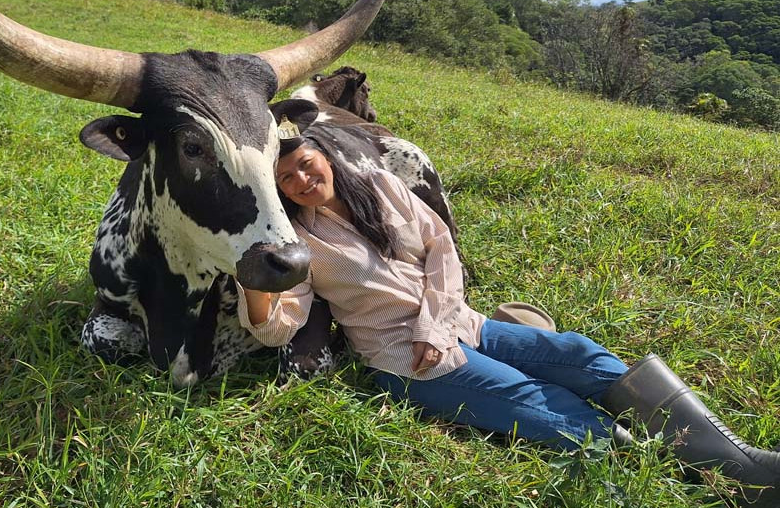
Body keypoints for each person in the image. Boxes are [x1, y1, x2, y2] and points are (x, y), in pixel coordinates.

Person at [237, 108, 779, 505]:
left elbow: (440, 251)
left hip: (457, 323)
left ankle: (736, 458)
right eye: (286, 178)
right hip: (407, 358)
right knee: (539, 401)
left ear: (323, 155)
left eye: (306, 164)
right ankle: (690, 478)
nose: (302, 180)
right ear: (278, 189)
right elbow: (279, 325)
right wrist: (256, 283)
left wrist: (437, 322)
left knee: (581, 355)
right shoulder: (297, 243)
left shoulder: (379, 185)